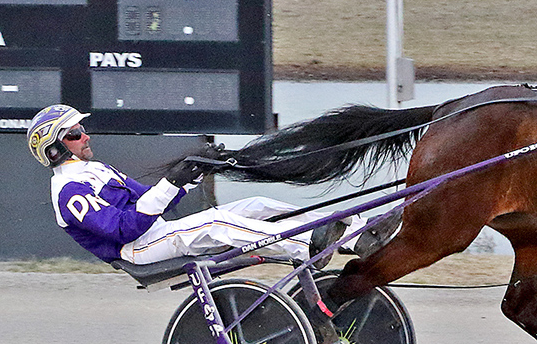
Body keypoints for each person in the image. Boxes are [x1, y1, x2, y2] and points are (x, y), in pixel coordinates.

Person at [27, 104, 371, 269]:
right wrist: (171, 183)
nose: (85, 136)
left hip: (154, 232)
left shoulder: (93, 169)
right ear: (55, 149)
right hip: (137, 248)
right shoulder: (69, 192)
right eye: (74, 134)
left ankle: (352, 231)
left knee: (256, 205)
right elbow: (122, 229)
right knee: (216, 225)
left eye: (82, 130)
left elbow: (149, 198)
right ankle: (306, 246)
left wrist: (190, 173)